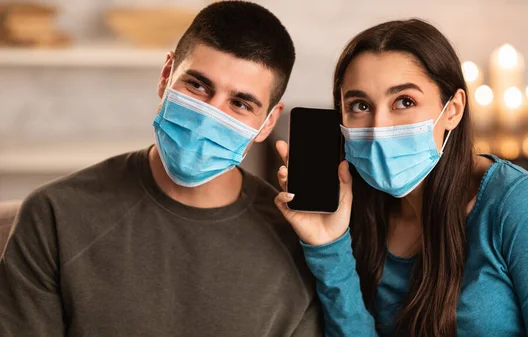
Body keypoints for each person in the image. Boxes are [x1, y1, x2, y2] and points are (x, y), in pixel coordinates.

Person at [0, 2, 322, 336]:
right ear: (166, 75)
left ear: (268, 122)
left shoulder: (299, 244)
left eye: (239, 104)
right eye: (197, 86)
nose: (208, 117)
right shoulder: (55, 215)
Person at [275, 19, 528, 337]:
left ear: (453, 109)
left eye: (404, 102)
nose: (379, 126)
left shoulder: (517, 203)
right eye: (360, 105)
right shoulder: (349, 202)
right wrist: (327, 245)